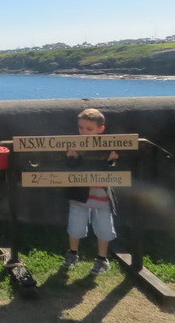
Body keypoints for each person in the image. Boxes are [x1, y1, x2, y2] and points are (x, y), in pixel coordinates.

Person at [63, 108, 118, 275]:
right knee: (75, 225)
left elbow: (113, 169)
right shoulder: (75, 144)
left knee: (104, 227)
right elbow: (72, 167)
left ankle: (102, 258)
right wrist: (73, 158)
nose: (83, 132)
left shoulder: (108, 146)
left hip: (101, 194)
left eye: (89, 129)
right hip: (79, 194)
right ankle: (73, 253)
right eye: (81, 128)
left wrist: (111, 161)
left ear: (100, 129)